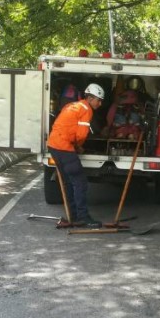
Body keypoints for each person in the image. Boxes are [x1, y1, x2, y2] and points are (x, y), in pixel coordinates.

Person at [47, 83, 105, 226]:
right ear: (90, 98)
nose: (100, 103)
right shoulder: (86, 110)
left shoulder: (73, 105)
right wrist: (78, 146)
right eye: (99, 100)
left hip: (53, 145)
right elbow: (81, 134)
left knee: (68, 182)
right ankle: (83, 217)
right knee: (80, 182)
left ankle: (72, 216)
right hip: (65, 148)